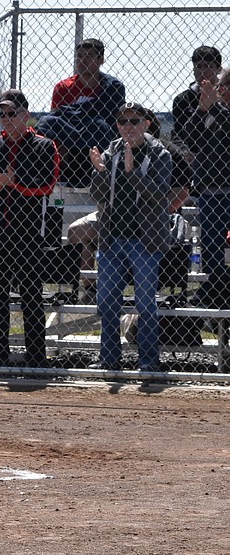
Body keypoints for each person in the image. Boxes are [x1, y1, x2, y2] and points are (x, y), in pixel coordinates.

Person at [0, 89, 60, 368]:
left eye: (11, 113)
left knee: (32, 296)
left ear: (25, 115)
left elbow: (46, 185)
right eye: (1, 114)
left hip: (29, 233)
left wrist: (14, 183)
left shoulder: (44, 146)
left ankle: (35, 358)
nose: (5, 119)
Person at [89, 103, 173, 372]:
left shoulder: (159, 152)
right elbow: (98, 195)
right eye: (123, 121)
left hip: (145, 241)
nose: (128, 126)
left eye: (134, 121)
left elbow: (159, 196)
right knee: (106, 302)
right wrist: (101, 171)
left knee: (145, 303)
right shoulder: (111, 150)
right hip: (112, 239)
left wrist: (132, 173)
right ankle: (109, 360)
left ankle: (148, 361)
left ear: (146, 124)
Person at [35, 38, 125, 188]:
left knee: (98, 125)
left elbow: (108, 118)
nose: (82, 60)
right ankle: (40, 177)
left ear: (100, 59)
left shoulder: (113, 86)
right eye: (79, 56)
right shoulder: (63, 87)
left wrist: (68, 112)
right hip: (70, 139)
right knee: (46, 122)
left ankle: (103, 177)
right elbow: (55, 119)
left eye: (89, 56)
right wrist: (82, 111)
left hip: (96, 139)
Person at [175, 66, 230, 309]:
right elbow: (189, 136)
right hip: (211, 191)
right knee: (211, 254)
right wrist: (202, 108)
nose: (221, 92)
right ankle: (213, 300)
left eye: (224, 88)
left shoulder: (220, 113)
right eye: (222, 87)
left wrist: (214, 107)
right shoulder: (211, 112)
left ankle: (206, 299)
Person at [171, 46, 222, 153]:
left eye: (208, 66)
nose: (202, 71)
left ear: (219, 69)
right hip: (194, 155)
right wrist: (185, 153)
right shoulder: (183, 99)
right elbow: (178, 134)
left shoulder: (226, 95)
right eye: (198, 66)